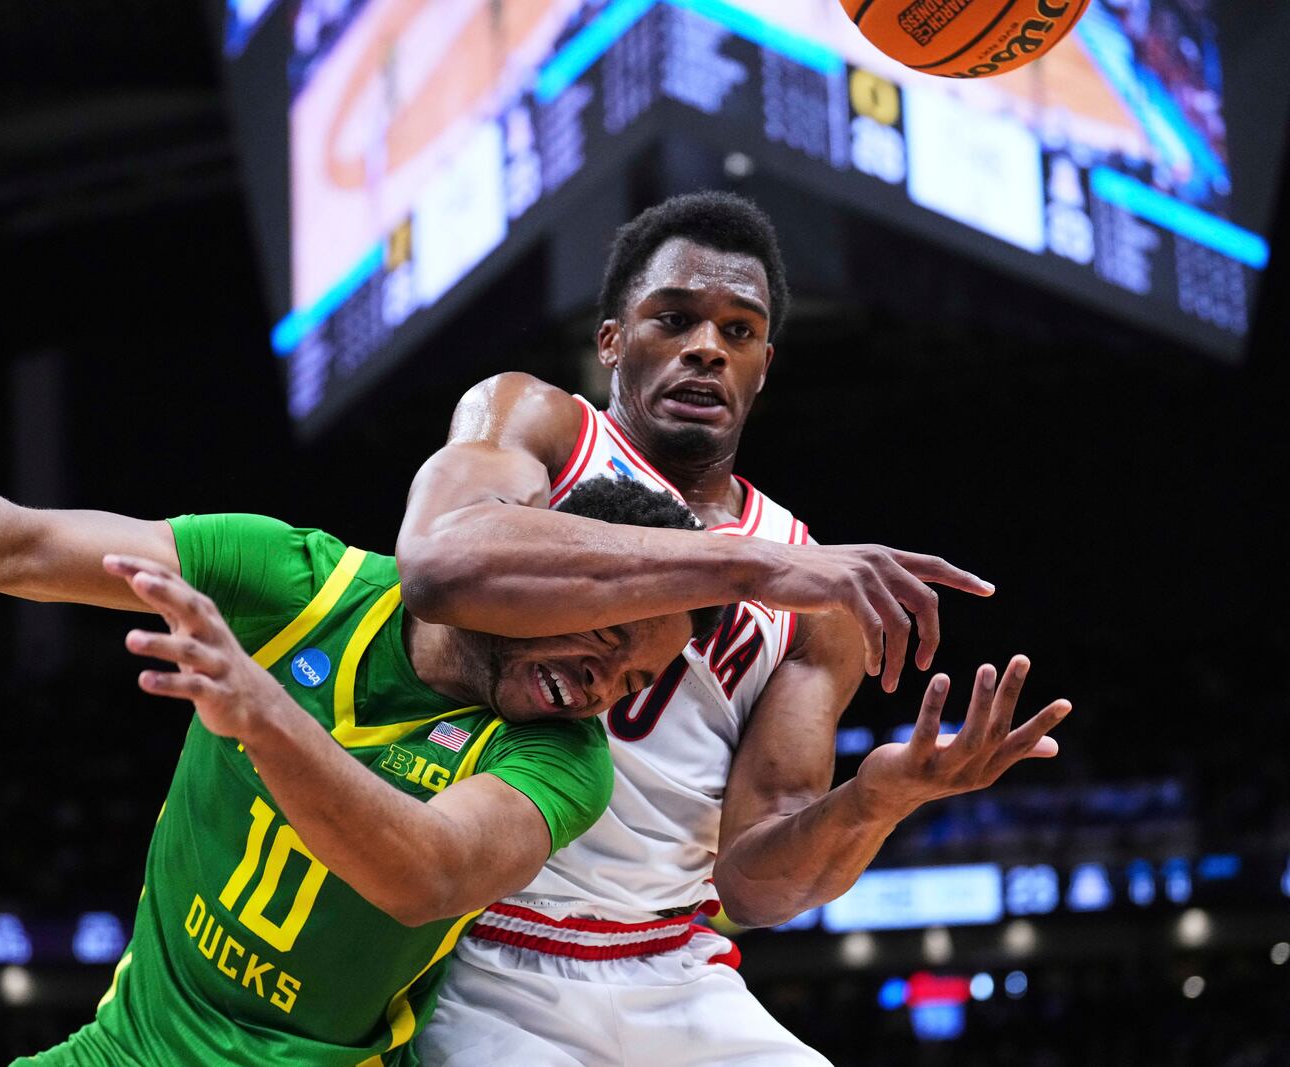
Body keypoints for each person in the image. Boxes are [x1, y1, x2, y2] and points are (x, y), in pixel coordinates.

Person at [0, 467, 723, 1065]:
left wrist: (263, 714)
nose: (607, 686)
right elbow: (24, 547)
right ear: (538, 568)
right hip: (130, 1046)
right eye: (611, 635)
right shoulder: (300, 580)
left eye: (638, 674)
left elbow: (429, 873)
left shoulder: (564, 757)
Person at [395, 192, 1073, 1066]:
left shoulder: (813, 587)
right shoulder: (541, 426)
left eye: (738, 331)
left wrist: (876, 800)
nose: (707, 346)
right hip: (482, 948)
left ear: (762, 366)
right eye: (673, 319)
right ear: (611, 342)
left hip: (670, 966)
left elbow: (755, 884)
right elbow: (440, 564)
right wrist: (746, 565)